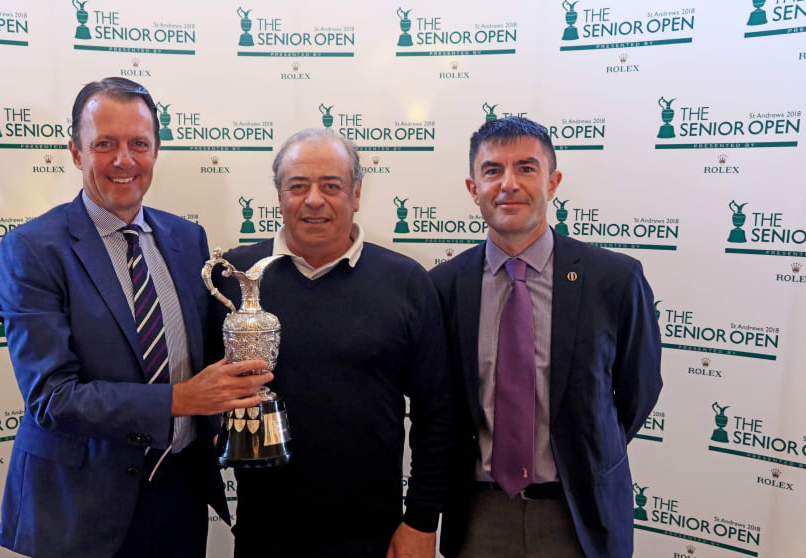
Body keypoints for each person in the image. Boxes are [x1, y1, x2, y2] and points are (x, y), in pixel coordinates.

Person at [0, 77, 271, 558]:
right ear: (77, 153)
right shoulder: (33, 249)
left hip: (180, 496)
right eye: (105, 144)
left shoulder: (188, 239)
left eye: (138, 143)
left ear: (155, 151)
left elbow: (201, 357)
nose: (124, 160)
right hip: (80, 508)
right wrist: (180, 399)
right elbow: (52, 398)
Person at [209, 128, 452, 558]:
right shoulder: (238, 276)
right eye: (297, 186)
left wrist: (421, 520)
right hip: (264, 535)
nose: (314, 199)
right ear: (279, 195)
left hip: (374, 537)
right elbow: (203, 389)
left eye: (331, 186)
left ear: (356, 194)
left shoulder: (406, 282)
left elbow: (438, 415)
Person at [430, 116, 662, 558]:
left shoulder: (614, 279)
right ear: (472, 187)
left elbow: (638, 392)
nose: (508, 184)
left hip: (580, 517)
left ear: (553, 182)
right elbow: (439, 405)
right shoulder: (442, 287)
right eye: (492, 170)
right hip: (479, 514)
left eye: (526, 168)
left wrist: (586, 452)